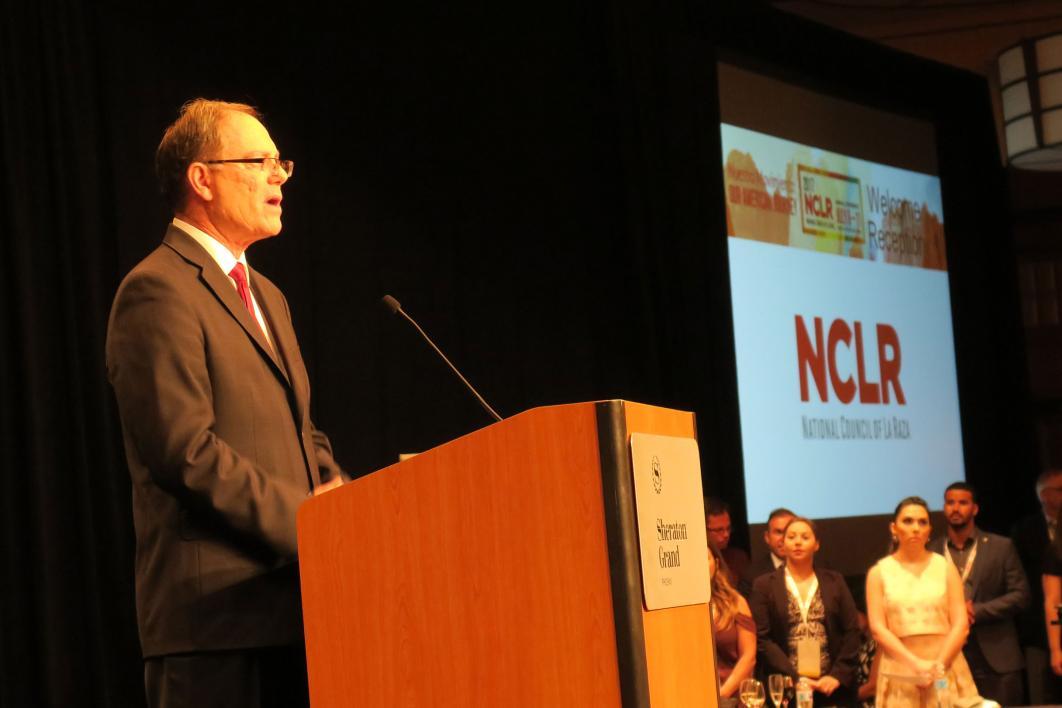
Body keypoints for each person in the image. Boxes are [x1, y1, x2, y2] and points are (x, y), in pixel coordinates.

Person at [106, 99, 346, 708]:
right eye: (258, 161)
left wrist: (343, 502)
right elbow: (184, 451)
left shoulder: (267, 294)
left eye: (280, 162)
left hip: (297, 614)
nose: (279, 176)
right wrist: (307, 521)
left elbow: (303, 432)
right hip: (213, 627)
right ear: (202, 178)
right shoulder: (157, 290)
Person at [866, 497, 977, 707]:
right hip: (901, 671)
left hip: (946, 666)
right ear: (894, 528)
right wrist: (916, 666)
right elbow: (878, 629)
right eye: (908, 521)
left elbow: (961, 625)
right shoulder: (878, 573)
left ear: (929, 530)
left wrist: (937, 666)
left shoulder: (945, 567)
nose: (915, 528)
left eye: (922, 522)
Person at [927, 482, 1028, 705]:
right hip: (950, 656)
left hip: (997, 656)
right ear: (943, 508)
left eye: (963, 502)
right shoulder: (932, 552)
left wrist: (977, 610)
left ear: (975, 509)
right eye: (950, 502)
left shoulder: (1001, 547)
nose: (955, 508)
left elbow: (1020, 595)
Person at [749, 517, 861, 706]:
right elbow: (763, 639)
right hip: (786, 685)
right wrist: (795, 677)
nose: (798, 542)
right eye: (791, 537)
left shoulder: (834, 581)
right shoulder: (764, 585)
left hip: (831, 685)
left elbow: (852, 631)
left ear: (816, 544)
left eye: (805, 537)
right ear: (782, 544)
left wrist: (836, 676)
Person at [1011, 467, 1062, 704]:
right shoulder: (1023, 531)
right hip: (1037, 628)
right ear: (1044, 495)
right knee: (1042, 696)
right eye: (1060, 489)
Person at [708, 539, 757, 701]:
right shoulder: (679, 609)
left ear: (716, 563)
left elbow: (748, 657)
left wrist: (721, 695)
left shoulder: (735, 602)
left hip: (733, 695)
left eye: (705, 559)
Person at [706, 497, 751, 592]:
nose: (726, 534)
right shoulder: (696, 563)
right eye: (719, 530)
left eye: (728, 528)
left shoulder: (739, 558)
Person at [746, 507, 797, 591]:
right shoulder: (752, 577)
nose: (784, 538)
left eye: (789, 532)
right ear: (767, 537)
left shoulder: (818, 572)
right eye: (778, 532)